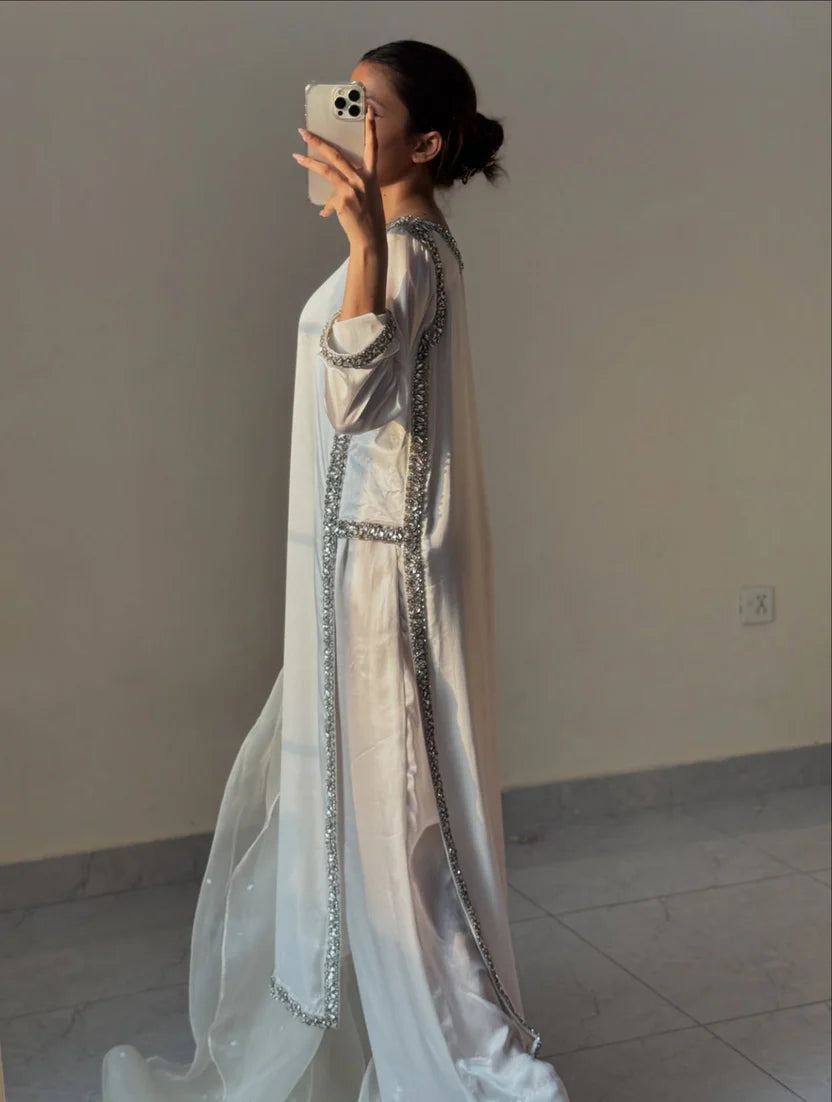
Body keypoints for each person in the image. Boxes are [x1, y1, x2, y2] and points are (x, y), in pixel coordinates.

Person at [102, 38, 571, 1102]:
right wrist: (363, 236)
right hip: (364, 567)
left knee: (398, 825)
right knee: (376, 819)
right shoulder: (409, 244)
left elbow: (354, 395)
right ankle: (398, 1030)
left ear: (427, 143)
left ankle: (474, 1064)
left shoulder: (404, 251)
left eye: (370, 108)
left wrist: (359, 238)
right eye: (343, 100)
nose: (347, 121)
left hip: (381, 580)